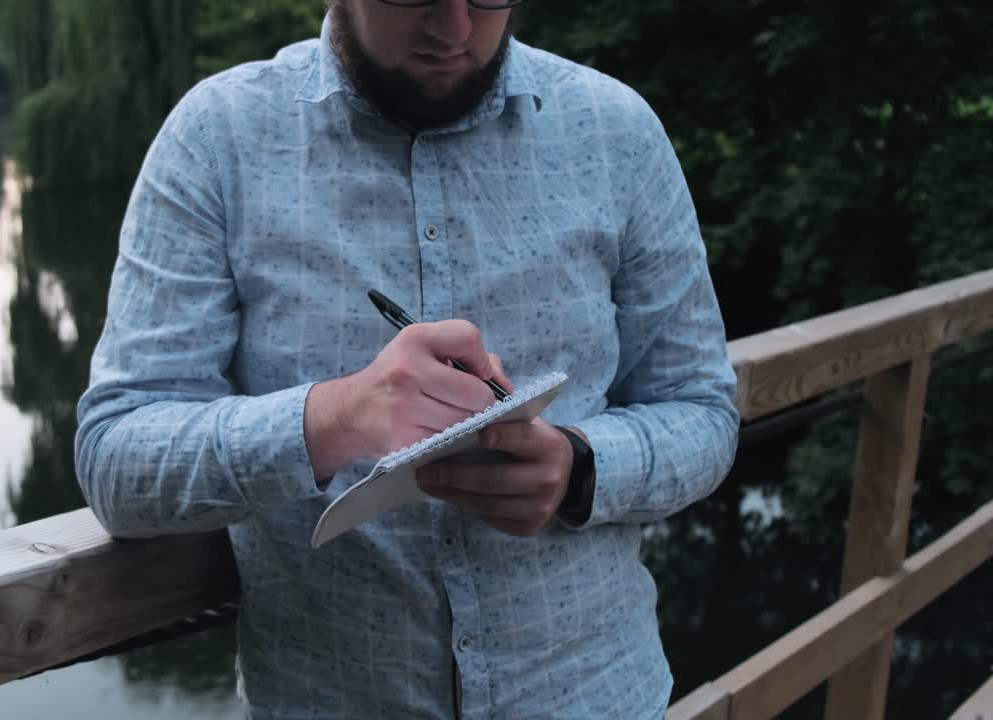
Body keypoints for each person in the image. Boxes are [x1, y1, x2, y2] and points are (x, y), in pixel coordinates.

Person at [74, 0, 740, 717]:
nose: (454, 30)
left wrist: (582, 468)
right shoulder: (217, 139)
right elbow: (115, 459)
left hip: (600, 696)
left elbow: (703, 411)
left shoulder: (617, 135)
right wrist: (333, 418)